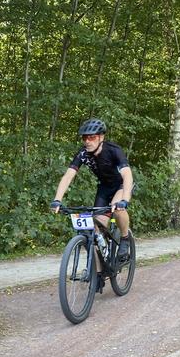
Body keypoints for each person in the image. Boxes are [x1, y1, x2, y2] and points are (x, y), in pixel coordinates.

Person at [51, 118, 133, 292]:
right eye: (84, 138)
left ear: (101, 137)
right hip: (103, 189)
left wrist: (125, 199)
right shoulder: (83, 154)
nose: (87, 141)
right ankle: (98, 274)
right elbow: (68, 176)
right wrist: (57, 200)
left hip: (120, 186)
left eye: (92, 137)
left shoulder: (113, 150)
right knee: (93, 232)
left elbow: (127, 176)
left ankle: (125, 238)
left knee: (118, 208)